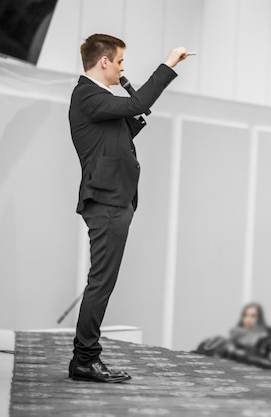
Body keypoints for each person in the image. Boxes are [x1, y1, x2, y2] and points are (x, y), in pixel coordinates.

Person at [68, 33, 188, 383]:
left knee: (102, 282)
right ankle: (85, 359)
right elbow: (137, 106)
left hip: (114, 200)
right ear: (104, 61)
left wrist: (133, 97)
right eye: (119, 62)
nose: (122, 68)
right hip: (105, 201)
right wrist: (168, 65)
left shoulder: (97, 98)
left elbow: (129, 122)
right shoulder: (88, 95)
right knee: (101, 283)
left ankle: (86, 357)